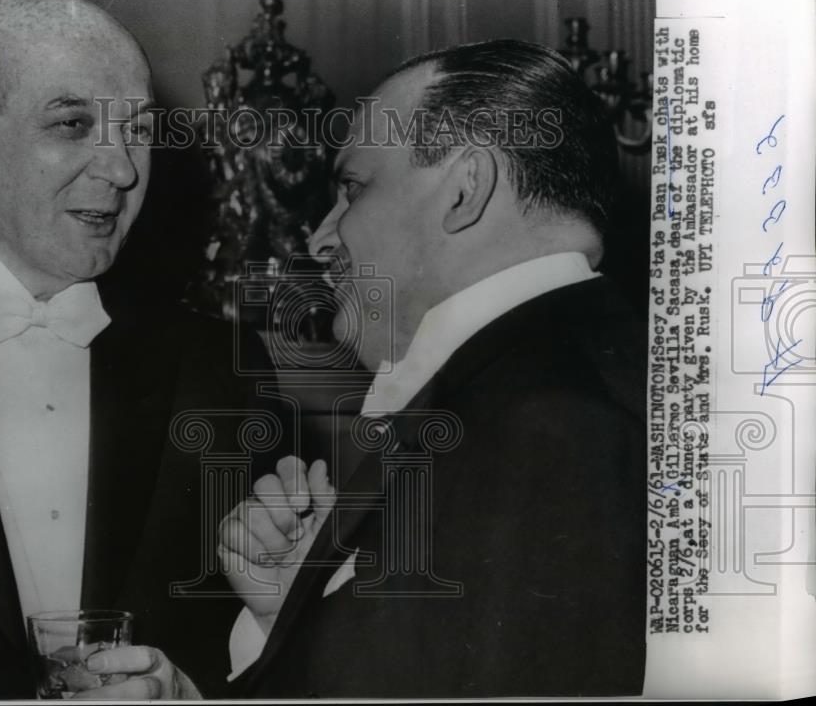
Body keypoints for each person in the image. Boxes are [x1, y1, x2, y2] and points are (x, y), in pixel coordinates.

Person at [0, 0, 274, 699]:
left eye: (138, 130)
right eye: (73, 123)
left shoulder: (222, 369)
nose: (124, 169)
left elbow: (270, 654)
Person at [213, 40, 648, 697]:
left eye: (352, 188)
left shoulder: (545, 424)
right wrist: (298, 610)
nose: (319, 238)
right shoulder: (569, 371)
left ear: (464, 189)